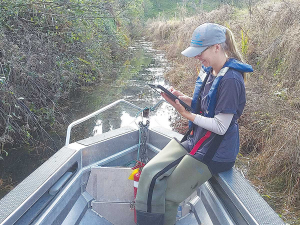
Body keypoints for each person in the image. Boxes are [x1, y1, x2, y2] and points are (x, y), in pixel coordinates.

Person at [135, 23, 253, 225]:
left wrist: (186, 114)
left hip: (216, 152)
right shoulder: (212, 71)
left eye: (200, 52)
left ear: (217, 46)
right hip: (198, 140)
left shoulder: (231, 79)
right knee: (149, 172)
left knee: (169, 197)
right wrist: (181, 100)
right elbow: (206, 106)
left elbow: (221, 126)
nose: (197, 57)